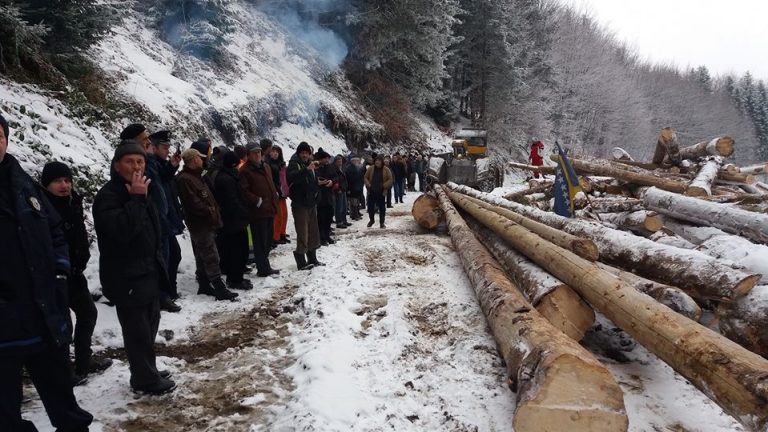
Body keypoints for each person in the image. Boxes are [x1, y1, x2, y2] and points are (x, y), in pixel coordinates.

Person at [0, 114, 94, 430]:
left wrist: (60, 272)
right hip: (3, 323)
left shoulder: (23, 183)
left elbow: (55, 231)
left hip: (43, 312)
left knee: (64, 403)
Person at [93, 139, 176, 395]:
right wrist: (138, 200)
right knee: (137, 330)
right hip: (126, 275)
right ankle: (144, 380)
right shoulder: (109, 196)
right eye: (130, 161)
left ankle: (145, 369)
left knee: (150, 322)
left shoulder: (141, 189)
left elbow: (154, 226)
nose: (136, 166)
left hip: (147, 270)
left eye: (140, 161)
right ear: (117, 166)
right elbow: (122, 231)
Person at [41, 162, 113, 384]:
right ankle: (63, 371)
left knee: (88, 314)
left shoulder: (72, 202)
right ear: (46, 185)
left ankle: (83, 362)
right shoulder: (42, 209)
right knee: (62, 325)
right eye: (57, 181)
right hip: (54, 276)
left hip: (75, 272)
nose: (64, 185)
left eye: (67, 180)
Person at [121, 124, 181, 313]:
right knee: (162, 259)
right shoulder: (134, 164)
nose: (148, 142)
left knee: (171, 255)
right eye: (144, 139)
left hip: (161, 219)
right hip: (151, 220)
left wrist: (171, 166)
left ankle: (165, 293)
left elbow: (160, 180)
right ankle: (161, 296)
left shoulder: (149, 161)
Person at [176, 147, 238, 301]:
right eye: (199, 158)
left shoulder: (197, 176)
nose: (202, 160)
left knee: (202, 254)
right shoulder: (185, 179)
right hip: (200, 223)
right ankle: (219, 287)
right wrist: (209, 210)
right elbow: (192, 202)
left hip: (207, 222)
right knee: (211, 255)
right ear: (192, 160)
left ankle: (204, 284)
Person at [149, 131, 185, 301]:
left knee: (174, 255)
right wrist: (170, 167)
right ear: (153, 147)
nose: (167, 150)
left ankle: (169, 290)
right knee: (167, 257)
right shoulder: (151, 165)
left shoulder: (160, 165)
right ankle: (164, 294)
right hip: (160, 220)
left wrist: (171, 166)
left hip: (167, 219)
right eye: (164, 147)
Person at [213, 151, 252, 291]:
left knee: (238, 251)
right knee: (237, 252)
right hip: (233, 223)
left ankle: (237, 277)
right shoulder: (226, 180)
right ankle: (235, 279)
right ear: (234, 164)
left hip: (234, 222)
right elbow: (233, 202)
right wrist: (245, 212)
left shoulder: (229, 177)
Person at [240, 143, 280, 277]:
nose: (257, 154)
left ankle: (265, 264)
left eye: (258, 152)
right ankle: (263, 268)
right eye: (254, 152)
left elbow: (270, 183)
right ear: (248, 155)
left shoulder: (265, 166)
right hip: (258, 211)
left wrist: (275, 195)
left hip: (270, 208)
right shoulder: (245, 170)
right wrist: (257, 201)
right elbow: (244, 191)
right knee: (260, 241)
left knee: (268, 240)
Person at [287, 142, 324, 270]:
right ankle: (301, 260)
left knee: (313, 231)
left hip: (310, 203)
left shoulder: (310, 164)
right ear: (299, 153)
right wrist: (305, 169)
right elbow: (291, 177)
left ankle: (312, 258)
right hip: (300, 204)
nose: (304, 155)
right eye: (302, 153)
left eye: (306, 153)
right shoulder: (294, 163)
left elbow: (313, 182)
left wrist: (317, 192)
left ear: (309, 154)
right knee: (303, 232)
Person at [269, 145, 290, 245]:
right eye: (273, 151)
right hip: (276, 192)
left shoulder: (281, 163)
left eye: (277, 151)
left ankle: (282, 233)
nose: (275, 153)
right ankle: (276, 236)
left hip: (282, 192)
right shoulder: (269, 164)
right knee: (278, 216)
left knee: (284, 215)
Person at [364, 156, 393, 229]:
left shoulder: (386, 169)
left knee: (382, 208)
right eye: (376, 160)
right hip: (372, 191)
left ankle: (382, 223)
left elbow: (390, 179)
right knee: (370, 207)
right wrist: (368, 184)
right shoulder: (371, 168)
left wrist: (384, 185)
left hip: (381, 192)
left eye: (379, 161)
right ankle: (371, 220)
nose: (377, 162)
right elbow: (365, 177)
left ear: (382, 161)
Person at [314, 148, 336, 245]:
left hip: (329, 195)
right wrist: (318, 182)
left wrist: (332, 181)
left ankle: (327, 235)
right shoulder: (315, 167)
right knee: (321, 218)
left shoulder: (330, 167)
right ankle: (321, 237)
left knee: (329, 216)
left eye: (327, 158)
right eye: (325, 158)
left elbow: (336, 176)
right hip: (319, 196)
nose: (327, 160)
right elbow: (312, 180)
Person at [332, 155, 350, 229]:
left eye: (341, 161)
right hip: (338, 190)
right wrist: (338, 188)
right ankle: (339, 222)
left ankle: (344, 220)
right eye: (338, 161)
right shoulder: (334, 169)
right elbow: (335, 179)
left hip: (343, 189)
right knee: (339, 207)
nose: (340, 163)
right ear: (335, 162)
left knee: (345, 206)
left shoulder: (342, 168)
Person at [345, 157, 364, 221]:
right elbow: (349, 179)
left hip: (357, 187)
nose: (358, 162)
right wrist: (349, 189)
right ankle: (354, 215)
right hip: (352, 187)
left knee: (357, 201)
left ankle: (356, 213)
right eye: (357, 161)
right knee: (354, 202)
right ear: (353, 161)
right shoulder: (349, 168)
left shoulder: (357, 168)